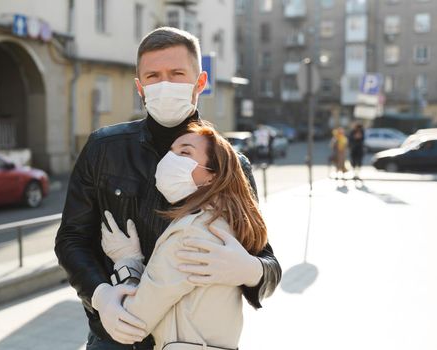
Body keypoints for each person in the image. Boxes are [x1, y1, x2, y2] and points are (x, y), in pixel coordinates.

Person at [55, 27, 281, 350]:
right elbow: (71, 239)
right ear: (140, 87)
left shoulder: (231, 165)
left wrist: (250, 269)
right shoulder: (104, 150)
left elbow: (269, 265)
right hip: (115, 337)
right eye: (153, 76)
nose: (165, 85)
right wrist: (100, 296)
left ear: (200, 82)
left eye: (177, 74)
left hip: (191, 342)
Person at [99, 122, 270, 350]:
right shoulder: (223, 224)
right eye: (171, 152)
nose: (171, 159)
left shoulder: (191, 233)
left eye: (185, 152)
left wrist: (127, 262)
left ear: (211, 176)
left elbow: (134, 320)